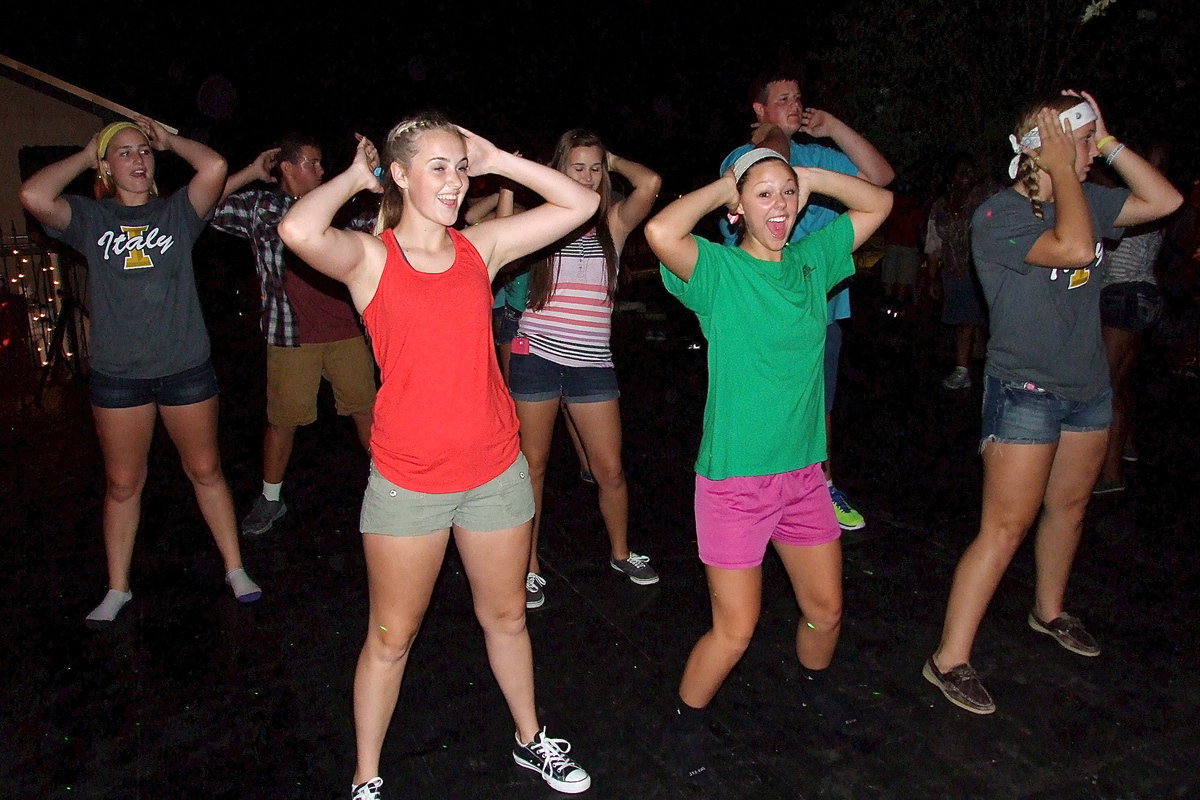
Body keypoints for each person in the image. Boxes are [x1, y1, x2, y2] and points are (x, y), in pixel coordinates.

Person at [276, 113, 598, 799]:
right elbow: (298, 231)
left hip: (494, 472)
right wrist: (350, 178)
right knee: (391, 636)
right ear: (399, 175)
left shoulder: (481, 247)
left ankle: (529, 739)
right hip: (409, 484)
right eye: (439, 168)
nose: (455, 182)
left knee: (507, 615)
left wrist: (499, 160)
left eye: (460, 167)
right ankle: (367, 776)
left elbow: (583, 203)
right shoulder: (370, 259)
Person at [923, 92, 1182, 715]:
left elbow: (1166, 202)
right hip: (1025, 390)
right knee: (1005, 526)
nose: (1093, 154)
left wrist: (1111, 139)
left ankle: (1050, 611)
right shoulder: (996, 215)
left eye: (1093, 142)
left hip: (1087, 386)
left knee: (1068, 507)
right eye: (1083, 141)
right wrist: (1065, 163)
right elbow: (1069, 247)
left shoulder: (1088, 194)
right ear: (1046, 148)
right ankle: (947, 659)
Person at [646, 147, 892, 777]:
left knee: (827, 610)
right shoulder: (718, 271)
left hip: (806, 478)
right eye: (763, 196)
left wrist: (803, 176)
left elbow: (880, 200)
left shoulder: (813, 262)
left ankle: (815, 688)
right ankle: (686, 719)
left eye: (787, 195)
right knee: (734, 631)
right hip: (733, 483)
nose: (779, 206)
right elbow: (659, 230)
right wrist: (731, 179)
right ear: (737, 209)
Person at [18, 117, 263, 627]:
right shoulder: (90, 217)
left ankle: (235, 568)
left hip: (184, 368)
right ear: (108, 167)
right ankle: (117, 586)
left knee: (205, 470)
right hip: (119, 376)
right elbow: (35, 195)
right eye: (124, 153)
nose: (137, 160)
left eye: (143, 153)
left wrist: (170, 140)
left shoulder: (178, 212)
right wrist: (89, 154)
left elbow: (215, 166)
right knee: (123, 483)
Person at [719, 72, 895, 533]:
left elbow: (881, 179)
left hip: (821, 302)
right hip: (759, 306)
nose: (796, 105)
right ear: (758, 111)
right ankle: (751, 489)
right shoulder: (746, 156)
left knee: (821, 401)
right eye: (783, 99)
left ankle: (820, 482)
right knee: (760, 400)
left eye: (800, 98)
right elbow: (771, 161)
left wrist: (833, 127)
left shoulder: (818, 155)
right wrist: (775, 134)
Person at [510, 129, 662, 609]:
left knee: (610, 469)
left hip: (592, 362)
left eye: (595, 169)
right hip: (535, 354)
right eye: (577, 167)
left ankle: (620, 552)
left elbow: (652, 182)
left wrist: (611, 157)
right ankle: (528, 567)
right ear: (559, 171)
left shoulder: (613, 222)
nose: (588, 176)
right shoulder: (544, 221)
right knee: (531, 467)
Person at [212, 134, 378, 535]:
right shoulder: (261, 206)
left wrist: (373, 171)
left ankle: (389, 487)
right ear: (286, 167)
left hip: (346, 332)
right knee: (282, 421)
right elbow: (201, 208)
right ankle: (271, 498)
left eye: (322, 164)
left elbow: (385, 220)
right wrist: (251, 172)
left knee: (367, 412)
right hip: (289, 335)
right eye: (312, 162)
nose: (321, 170)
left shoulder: (337, 204)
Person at [1093, 143, 1170, 493]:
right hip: (1140, 295)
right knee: (1120, 382)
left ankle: (1109, 475)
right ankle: (1125, 448)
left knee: (1105, 385)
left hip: (1125, 294)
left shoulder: (1139, 202)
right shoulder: (1148, 201)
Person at [926, 154, 993, 390]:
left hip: (983, 272)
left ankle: (978, 370)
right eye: (959, 173)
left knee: (983, 321)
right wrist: (932, 278)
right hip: (955, 273)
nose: (963, 178)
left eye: (968, 172)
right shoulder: (941, 206)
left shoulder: (985, 201)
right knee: (963, 320)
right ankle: (964, 369)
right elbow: (934, 245)